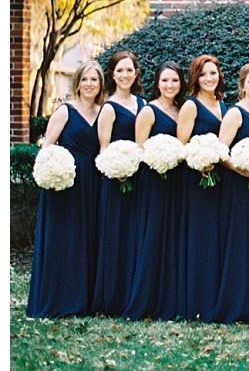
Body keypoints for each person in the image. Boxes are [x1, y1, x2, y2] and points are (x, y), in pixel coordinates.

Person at [27, 60, 104, 318]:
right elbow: (47, 145)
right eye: (85, 79)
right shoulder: (65, 111)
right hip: (67, 183)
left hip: (93, 182)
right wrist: (53, 172)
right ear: (77, 83)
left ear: (100, 84)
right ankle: (58, 299)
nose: (89, 84)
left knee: (88, 239)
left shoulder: (103, 111)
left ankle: (83, 299)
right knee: (66, 239)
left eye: (94, 79)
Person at [124, 61, 187, 321]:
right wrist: (158, 160)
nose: (170, 85)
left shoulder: (182, 109)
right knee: (153, 235)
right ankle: (145, 300)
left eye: (174, 80)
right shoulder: (149, 111)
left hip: (178, 180)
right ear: (157, 83)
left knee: (173, 237)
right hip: (154, 179)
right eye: (165, 81)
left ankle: (169, 301)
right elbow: (140, 148)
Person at [213, 63, 249, 323]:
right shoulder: (235, 114)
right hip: (239, 185)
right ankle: (235, 305)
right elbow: (221, 150)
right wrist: (242, 169)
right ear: (242, 85)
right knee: (239, 242)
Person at [92, 50, 146, 316]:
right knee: (115, 238)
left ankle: (131, 296)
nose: (125, 75)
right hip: (116, 181)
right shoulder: (109, 108)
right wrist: (117, 170)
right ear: (112, 75)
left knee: (134, 238)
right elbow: (103, 149)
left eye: (129, 70)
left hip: (140, 182)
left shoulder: (142, 104)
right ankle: (111, 299)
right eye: (120, 71)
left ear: (136, 73)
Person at [175, 54, 227, 322]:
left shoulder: (224, 106)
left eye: (213, 73)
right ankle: (196, 301)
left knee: (217, 238)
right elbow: (181, 145)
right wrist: (200, 161)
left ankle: (216, 299)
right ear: (196, 78)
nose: (209, 78)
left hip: (221, 180)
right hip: (197, 179)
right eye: (204, 74)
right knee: (200, 237)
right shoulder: (190, 107)